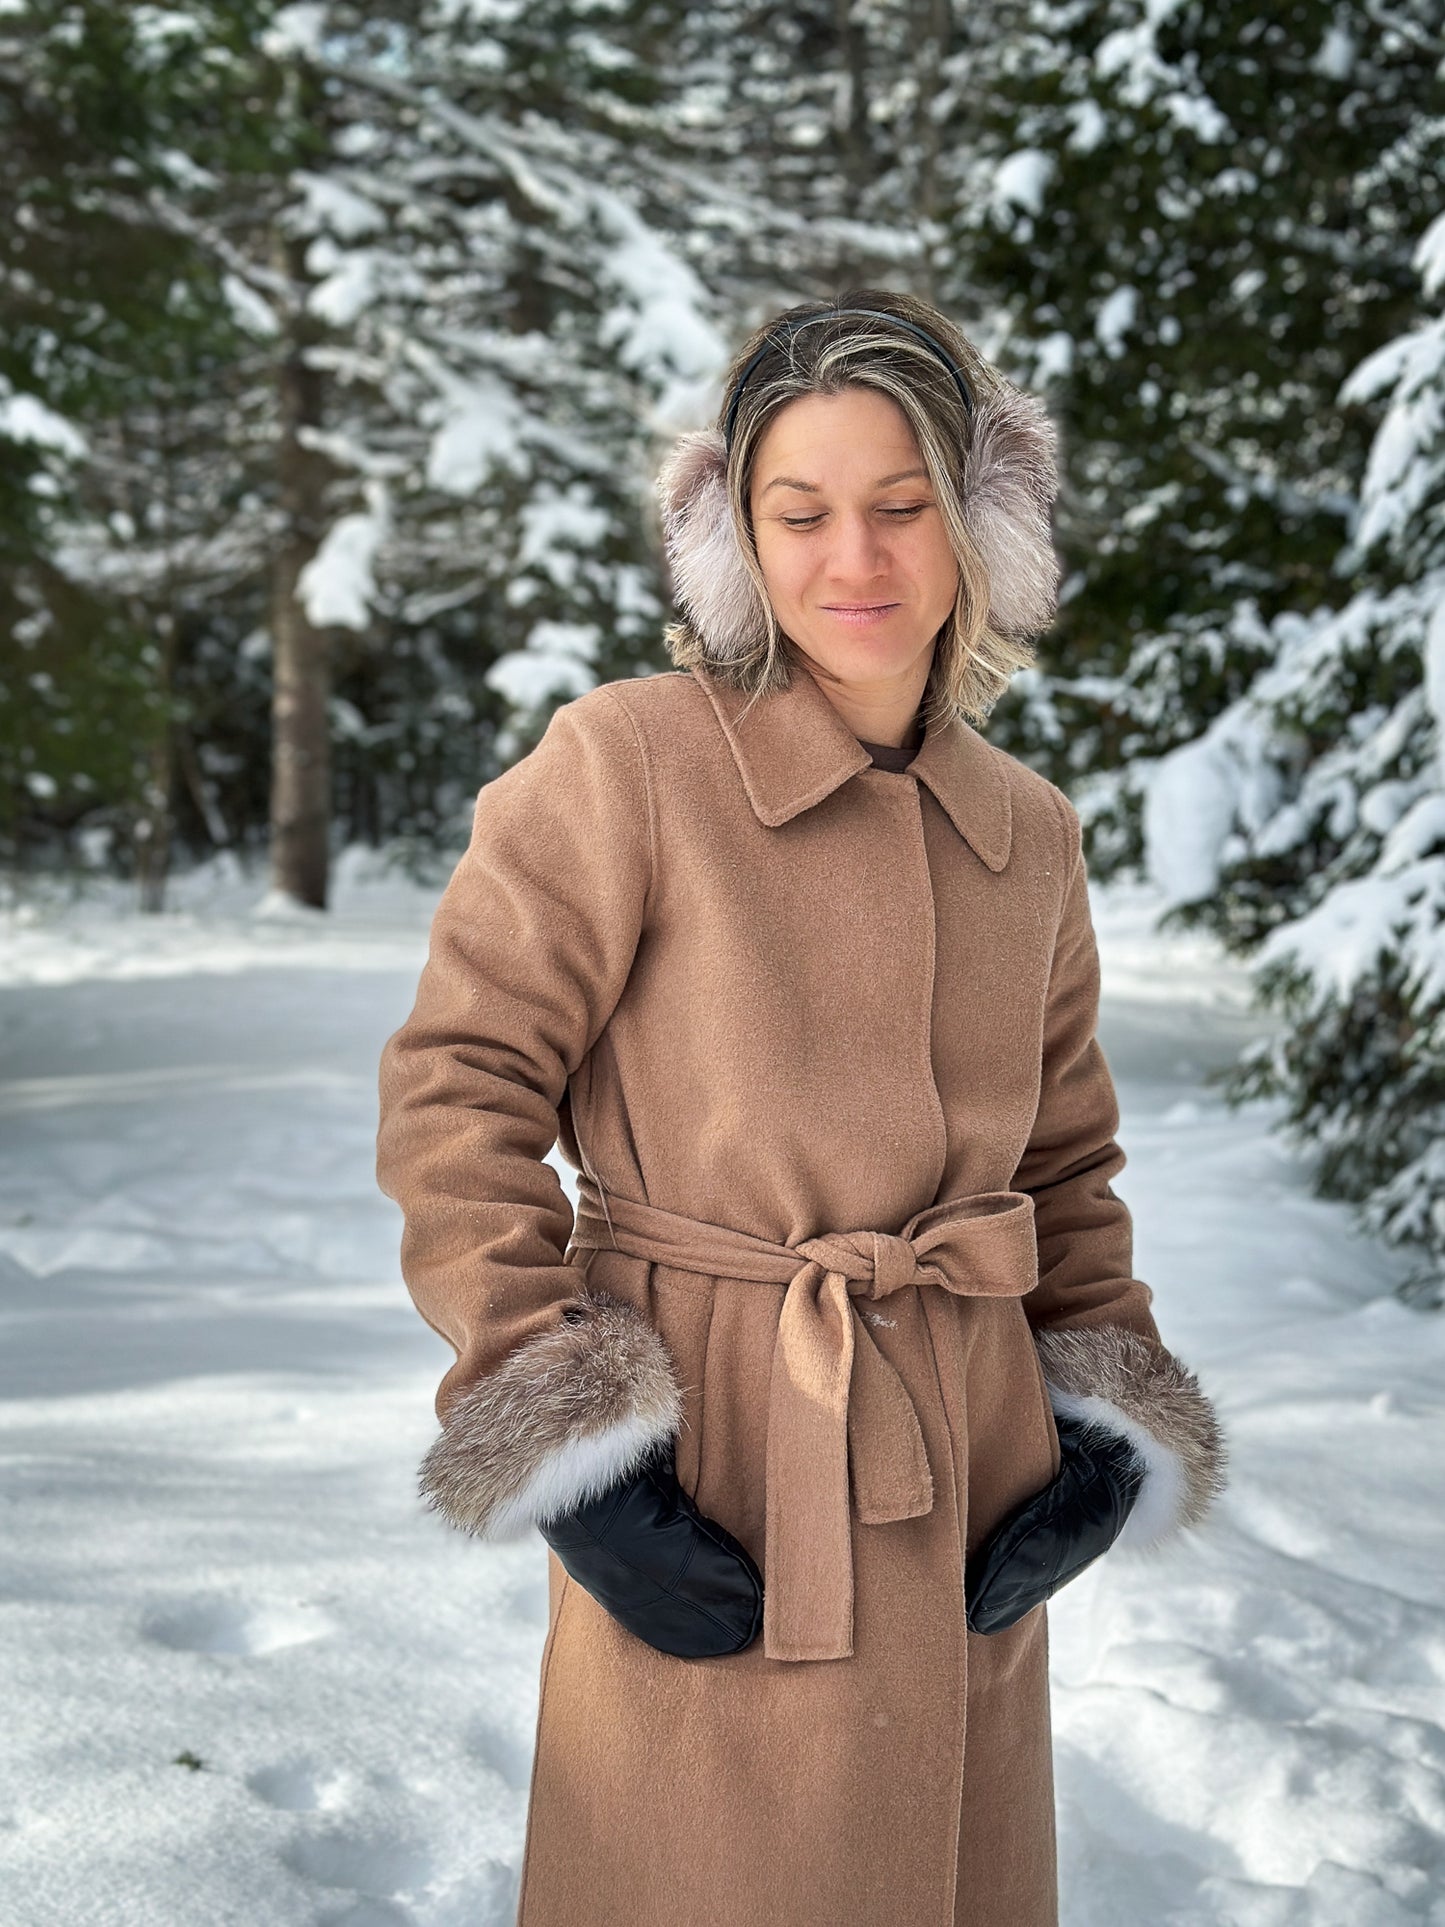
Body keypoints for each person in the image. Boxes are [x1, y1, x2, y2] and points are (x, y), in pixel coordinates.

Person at [374, 289, 1229, 1927]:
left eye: (903, 504)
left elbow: (1062, 1162)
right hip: (724, 1447)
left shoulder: (1027, 832)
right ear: (735, 535)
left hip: (966, 1450)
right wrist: (567, 1433)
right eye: (802, 510)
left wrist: (1103, 1429)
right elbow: (457, 1088)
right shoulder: (627, 765)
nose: (857, 559)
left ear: (979, 522)